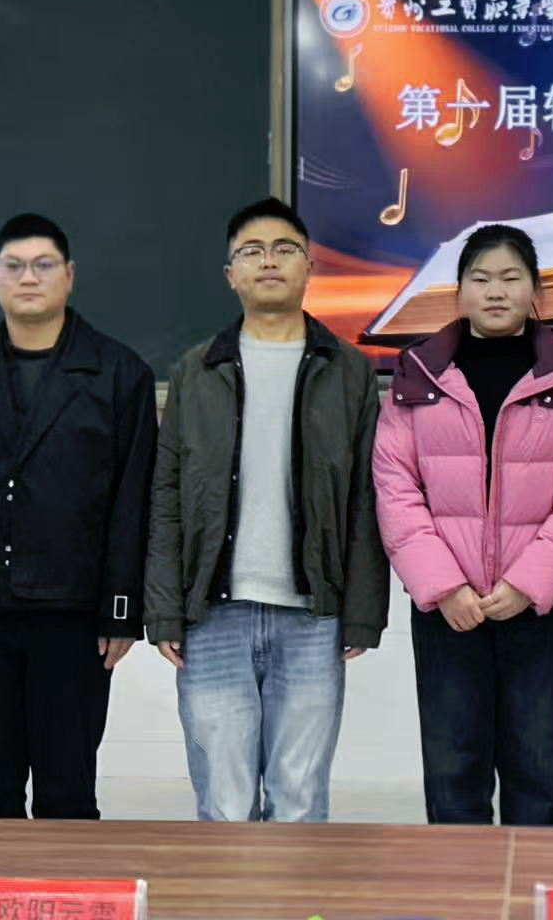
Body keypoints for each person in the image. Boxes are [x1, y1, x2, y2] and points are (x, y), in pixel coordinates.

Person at [0, 213, 156, 820]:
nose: (28, 277)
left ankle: (66, 888)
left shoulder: (120, 374)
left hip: (75, 617)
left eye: (43, 265)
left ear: (69, 275)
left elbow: (132, 502)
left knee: (68, 794)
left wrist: (122, 610)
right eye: (14, 266)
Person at [145, 198, 388, 822]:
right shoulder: (197, 370)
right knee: (224, 805)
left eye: (285, 249)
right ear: (231, 274)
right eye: (251, 252)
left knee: (299, 803)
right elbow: (166, 496)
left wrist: (363, 614)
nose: (269, 261)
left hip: (312, 618)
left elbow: (367, 499)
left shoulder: (349, 370)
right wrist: (165, 609)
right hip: (212, 615)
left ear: (310, 268)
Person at [373, 223, 553, 826]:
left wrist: (529, 584)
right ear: (460, 291)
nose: (496, 291)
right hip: (448, 612)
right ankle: (461, 886)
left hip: (540, 610)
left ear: (535, 290)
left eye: (510, 278)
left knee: (535, 776)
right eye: (481, 279)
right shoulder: (418, 375)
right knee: (453, 778)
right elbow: (396, 489)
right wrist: (445, 586)